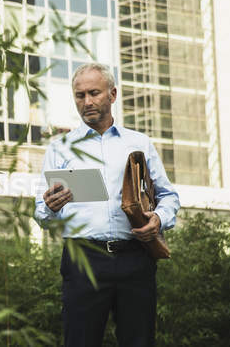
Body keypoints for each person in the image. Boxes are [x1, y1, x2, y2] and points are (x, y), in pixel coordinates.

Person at [34, 62, 180, 347]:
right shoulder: (59, 148)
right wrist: (49, 207)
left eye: (94, 93)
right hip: (82, 260)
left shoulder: (139, 143)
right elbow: (41, 215)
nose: (86, 101)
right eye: (80, 95)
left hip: (135, 258)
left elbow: (168, 196)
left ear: (112, 95)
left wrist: (158, 220)